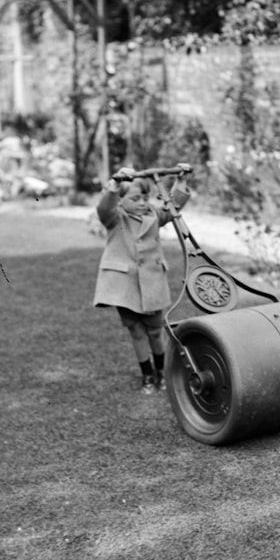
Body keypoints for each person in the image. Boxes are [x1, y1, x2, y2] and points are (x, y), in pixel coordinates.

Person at [93, 166, 191, 394]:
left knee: (156, 332)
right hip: (124, 287)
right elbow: (104, 207)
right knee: (136, 332)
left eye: (145, 197)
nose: (141, 202)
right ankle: (147, 375)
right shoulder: (115, 218)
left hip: (152, 283)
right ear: (121, 201)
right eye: (135, 198)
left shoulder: (154, 215)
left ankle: (162, 372)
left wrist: (182, 180)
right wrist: (115, 184)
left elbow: (173, 204)